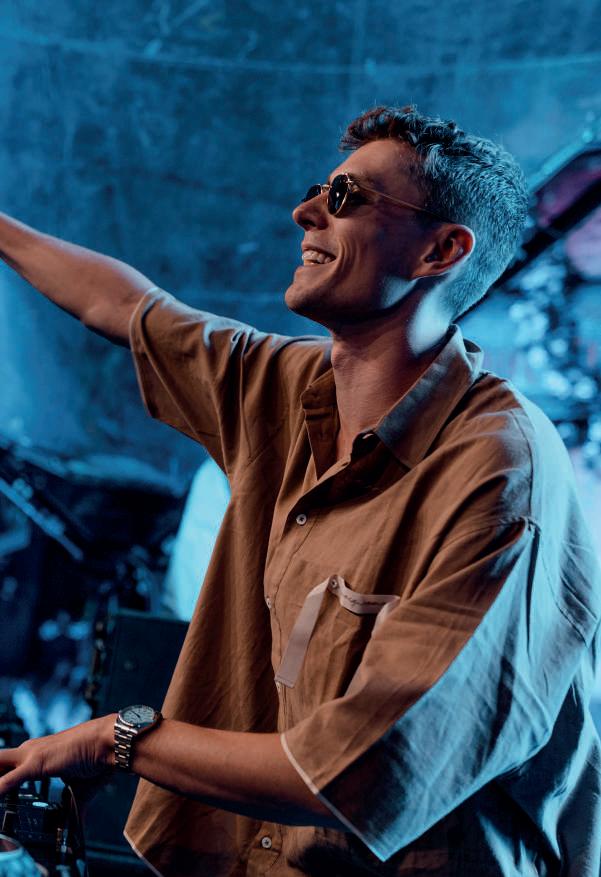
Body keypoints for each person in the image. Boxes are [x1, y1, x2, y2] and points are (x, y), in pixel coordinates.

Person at [0, 104, 600, 876]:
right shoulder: (288, 385)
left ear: (441, 250)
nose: (305, 212)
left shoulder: (498, 474)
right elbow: (127, 308)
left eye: (345, 197)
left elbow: (353, 773)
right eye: (318, 189)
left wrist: (116, 737)